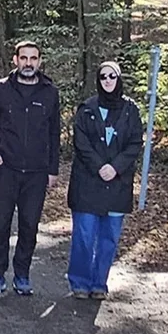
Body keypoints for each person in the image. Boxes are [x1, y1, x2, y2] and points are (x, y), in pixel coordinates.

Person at [0, 40, 60, 296]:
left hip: (36, 173)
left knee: (29, 225)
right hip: (6, 170)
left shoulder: (50, 92)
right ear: (15, 60)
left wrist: (52, 169)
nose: (28, 63)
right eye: (24, 58)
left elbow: (54, 133)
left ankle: (22, 274)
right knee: (1, 223)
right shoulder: (3, 89)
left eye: (33, 58)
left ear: (40, 61)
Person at [67, 61, 143, 300]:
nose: (108, 81)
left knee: (109, 238)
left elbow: (134, 143)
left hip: (117, 184)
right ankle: (79, 281)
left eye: (112, 77)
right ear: (98, 81)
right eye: (103, 77)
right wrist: (100, 167)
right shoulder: (87, 109)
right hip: (88, 182)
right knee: (84, 235)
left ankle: (99, 282)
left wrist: (116, 167)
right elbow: (81, 143)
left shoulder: (130, 109)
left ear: (119, 79)